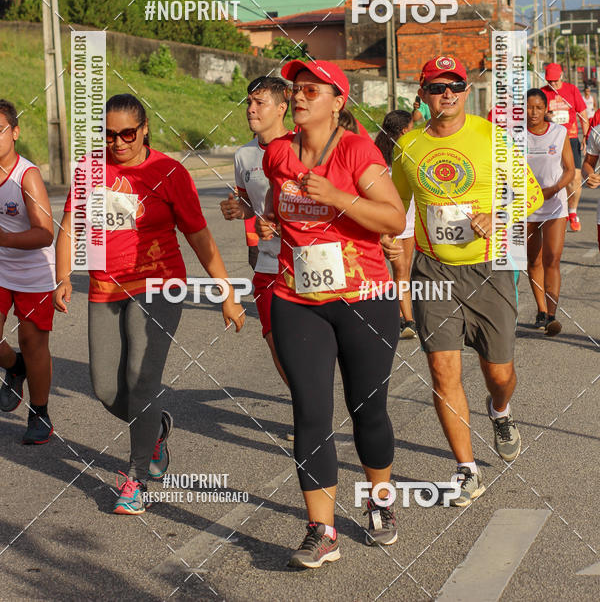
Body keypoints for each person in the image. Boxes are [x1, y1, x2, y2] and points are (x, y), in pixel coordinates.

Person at [54, 93, 245, 515]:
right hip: (105, 287)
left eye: (127, 133)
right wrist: (63, 276)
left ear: (144, 130)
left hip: (159, 285)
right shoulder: (89, 169)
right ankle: (154, 425)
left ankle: (136, 479)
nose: (118, 142)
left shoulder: (168, 172)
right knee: (106, 388)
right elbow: (70, 226)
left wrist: (226, 292)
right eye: (109, 135)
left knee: (141, 380)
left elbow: (199, 236)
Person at [258, 59, 405, 568]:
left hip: (365, 300)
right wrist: (264, 218)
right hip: (298, 300)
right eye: (296, 89)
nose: (299, 97)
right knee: (310, 411)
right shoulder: (278, 153)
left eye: (311, 91)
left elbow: (393, 217)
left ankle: (380, 503)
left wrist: (339, 197)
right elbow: (278, 204)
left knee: (368, 410)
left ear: (338, 102)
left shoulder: (357, 150)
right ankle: (322, 531)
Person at [392, 56, 544, 507]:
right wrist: (384, 237)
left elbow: (532, 193)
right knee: (443, 371)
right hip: (433, 270)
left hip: (489, 268)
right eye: (438, 87)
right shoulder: (408, 145)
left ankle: (500, 411)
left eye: (455, 86)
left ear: (465, 91)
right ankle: (466, 469)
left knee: (499, 373)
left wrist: (497, 215)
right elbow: (394, 203)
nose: (448, 94)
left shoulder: (492, 138)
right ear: (422, 94)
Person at [220, 76, 290, 386]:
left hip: (303, 264)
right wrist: (240, 210)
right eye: (249, 102)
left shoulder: (303, 147)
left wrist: (281, 223)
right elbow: (249, 203)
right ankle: (304, 405)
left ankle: (314, 407)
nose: (251, 109)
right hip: (266, 264)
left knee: (304, 346)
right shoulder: (243, 155)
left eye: (260, 103)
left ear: (281, 108)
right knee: (276, 344)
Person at [0, 100, 56, 444]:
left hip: (33, 271)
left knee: (32, 343)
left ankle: (40, 413)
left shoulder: (27, 176)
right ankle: (14, 366)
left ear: (15, 133)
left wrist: (4, 238)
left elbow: (45, 233)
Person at [526, 89, 574, 336]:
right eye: (529, 107)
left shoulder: (559, 132)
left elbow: (570, 170)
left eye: (538, 107)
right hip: (527, 206)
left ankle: (552, 316)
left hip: (554, 204)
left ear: (546, 109)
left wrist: (553, 189)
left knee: (552, 258)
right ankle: (541, 311)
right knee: (533, 260)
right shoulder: (513, 136)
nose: (533, 112)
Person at [375, 111, 417, 339]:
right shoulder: (379, 158)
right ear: (404, 131)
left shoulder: (410, 152)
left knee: (404, 271)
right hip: (391, 223)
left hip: (409, 220)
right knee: (400, 270)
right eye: (412, 126)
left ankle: (401, 315)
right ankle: (408, 320)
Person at [541, 63, 588, 232]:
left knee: (575, 177)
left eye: (555, 80)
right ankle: (554, 211)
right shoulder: (543, 92)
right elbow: (534, 115)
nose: (552, 84)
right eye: (549, 81)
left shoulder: (572, 90)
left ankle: (573, 212)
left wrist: (586, 136)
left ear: (561, 76)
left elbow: (583, 113)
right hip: (551, 140)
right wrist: (546, 116)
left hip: (571, 138)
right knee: (553, 178)